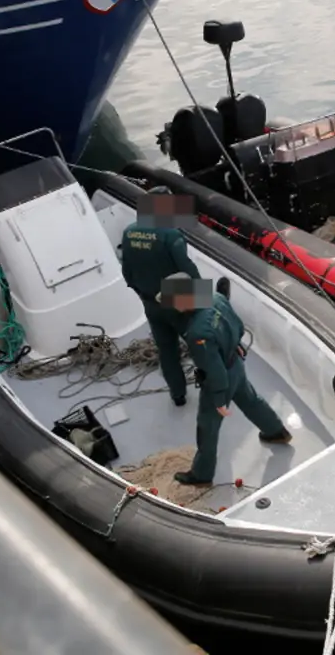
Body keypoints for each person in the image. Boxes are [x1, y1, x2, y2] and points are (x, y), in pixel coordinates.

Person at [158, 273, 292, 486]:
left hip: (221, 378)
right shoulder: (216, 297)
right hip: (235, 361)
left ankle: (202, 474)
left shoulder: (197, 333)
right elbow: (238, 325)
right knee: (250, 400)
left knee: (207, 426)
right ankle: (276, 431)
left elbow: (215, 370)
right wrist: (234, 344)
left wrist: (219, 401)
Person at [120, 187, 200, 406]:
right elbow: (187, 269)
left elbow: (126, 272)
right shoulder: (171, 235)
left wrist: (144, 295)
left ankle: (178, 395)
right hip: (177, 301)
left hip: (150, 303)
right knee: (198, 342)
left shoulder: (128, 233)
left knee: (167, 351)